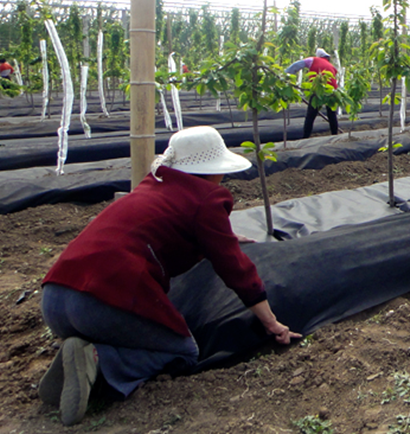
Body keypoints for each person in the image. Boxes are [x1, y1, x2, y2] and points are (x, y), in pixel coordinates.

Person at [38, 126, 301, 426]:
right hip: (104, 302)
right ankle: (100, 361)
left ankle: (77, 356)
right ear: (211, 169)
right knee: (184, 351)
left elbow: (162, 228)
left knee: (115, 326)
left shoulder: (152, 185)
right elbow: (235, 268)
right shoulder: (206, 198)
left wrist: (220, 238)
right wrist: (271, 322)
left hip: (56, 298)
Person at [286, 47, 339, 138]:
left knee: (310, 116)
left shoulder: (313, 60)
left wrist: (285, 75)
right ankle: (335, 136)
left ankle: (305, 137)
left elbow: (296, 65)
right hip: (332, 92)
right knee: (332, 115)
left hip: (318, 90)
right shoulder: (332, 66)